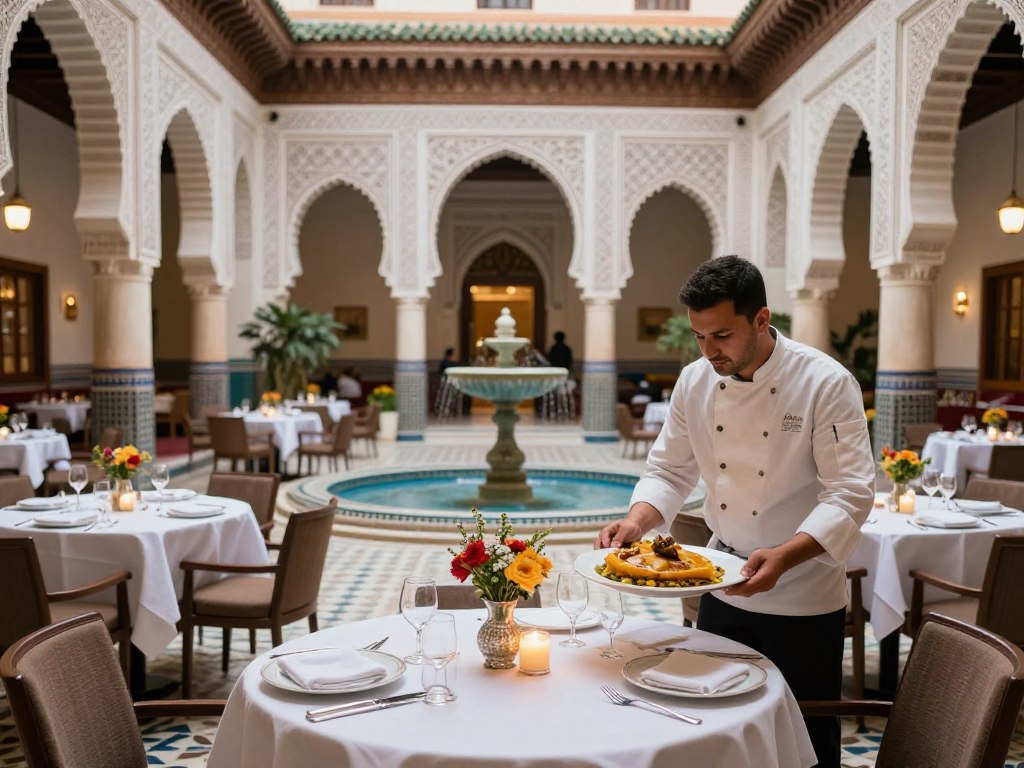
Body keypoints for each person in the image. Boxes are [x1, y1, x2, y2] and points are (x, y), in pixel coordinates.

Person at [597, 255, 874, 768]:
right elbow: (668, 470)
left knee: (804, 741)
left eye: (721, 335)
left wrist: (785, 558)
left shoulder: (825, 383)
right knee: (718, 730)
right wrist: (637, 520)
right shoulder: (694, 382)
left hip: (801, 593)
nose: (709, 351)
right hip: (721, 583)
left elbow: (850, 493)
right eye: (700, 337)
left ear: (762, 320)